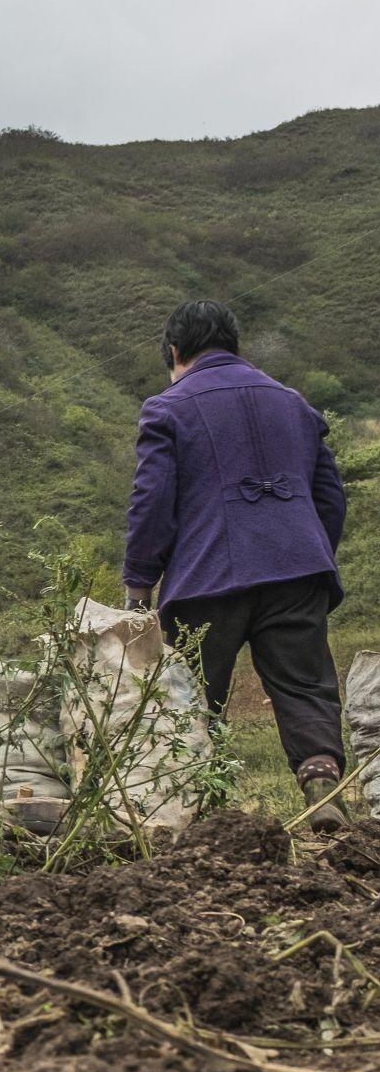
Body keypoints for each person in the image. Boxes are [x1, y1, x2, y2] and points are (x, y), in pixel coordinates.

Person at [124, 300, 349, 830]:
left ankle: (205, 812)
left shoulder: (167, 408)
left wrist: (139, 584)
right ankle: (320, 779)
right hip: (297, 571)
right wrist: (308, 552)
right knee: (304, 685)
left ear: (175, 352)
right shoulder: (294, 404)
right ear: (233, 345)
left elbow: (152, 501)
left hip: (207, 578)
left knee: (196, 699)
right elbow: (330, 497)